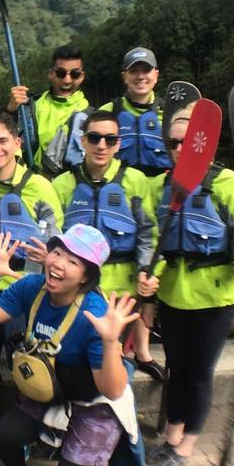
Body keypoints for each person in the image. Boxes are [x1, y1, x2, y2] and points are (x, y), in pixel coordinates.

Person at [0, 226, 149, 466]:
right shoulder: (33, 287)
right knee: (4, 436)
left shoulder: (95, 315)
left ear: (86, 277)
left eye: (72, 261)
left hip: (95, 403)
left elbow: (113, 390)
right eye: (57, 252)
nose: (58, 263)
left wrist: (109, 341)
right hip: (51, 391)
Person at [146, 105, 234, 466]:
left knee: (198, 372)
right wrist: (148, 276)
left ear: (205, 144)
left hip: (215, 298)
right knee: (177, 368)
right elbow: (152, 240)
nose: (180, 149)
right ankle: (171, 433)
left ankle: (185, 444)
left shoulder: (229, 185)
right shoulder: (159, 187)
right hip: (172, 295)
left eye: (188, 142)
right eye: (173, 143)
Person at [0, 115, 64, 422]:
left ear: (17, 144)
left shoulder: (40, 187)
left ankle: (26, 429)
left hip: (24, 293)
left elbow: (58, 244)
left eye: (2, 141)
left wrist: (49, 256)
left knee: (25, 365)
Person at [52, 111, 164, 381]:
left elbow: (148, 232)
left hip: (121, 291)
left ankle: (111, 417)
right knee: (73, 356)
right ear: (83, 140)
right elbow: (52, 238)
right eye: (94, 138)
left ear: (118, 143)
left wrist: (147, 272)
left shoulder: (135, 181)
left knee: (113, 361)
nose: (101, 145)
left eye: (109, 139)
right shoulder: (62, 184)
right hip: (76, 289)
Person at [6, 45, 90, 177]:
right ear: (51, 74)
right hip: (32, 185)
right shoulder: (30, 106)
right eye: (61, 73)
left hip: (72, 189)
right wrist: (11, 110)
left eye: (74, 74)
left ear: (81, 76)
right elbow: (5, 137)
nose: (67, 80)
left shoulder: (91, 115)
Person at [99, 47, 171, 177]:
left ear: (156, 74)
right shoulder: (107, 112)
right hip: (120, 192)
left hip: (160, 192)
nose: (140, 76)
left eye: (146, 70)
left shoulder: (170, 114)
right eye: (133, 71)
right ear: (124, 76)